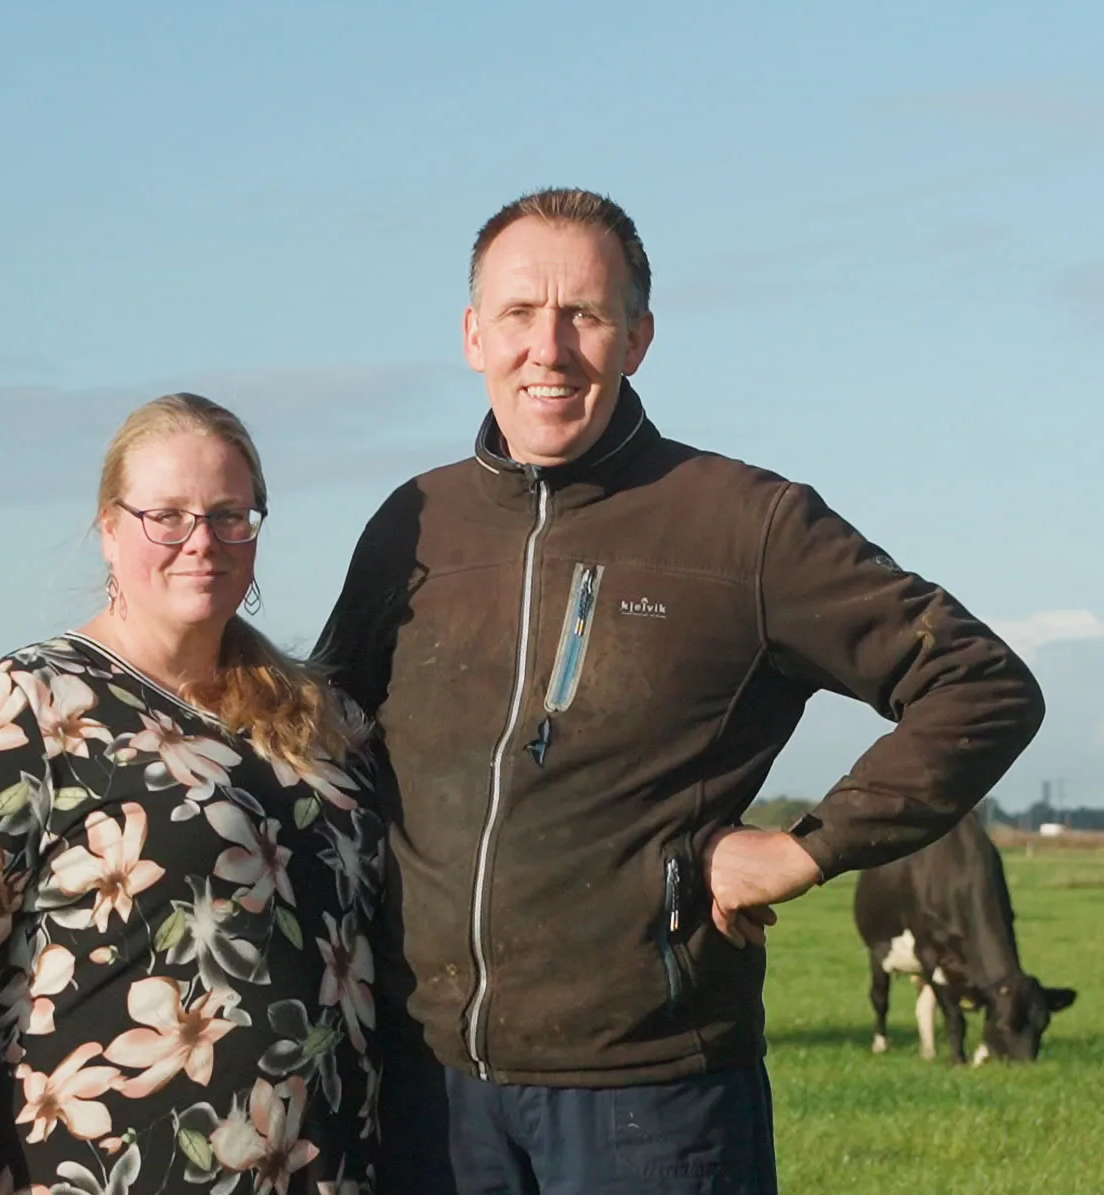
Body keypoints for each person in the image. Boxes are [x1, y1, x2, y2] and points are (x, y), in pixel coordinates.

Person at [315, 189, 1046, 1194]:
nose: (551, 348)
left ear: (639, 338)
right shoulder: (415, 521)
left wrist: (806, 847)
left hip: (649, 1096)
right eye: (521, 314)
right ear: (473, 334)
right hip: (427, 1091)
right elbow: (324, 738)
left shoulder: (743, 526)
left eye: (587, 315)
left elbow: (979, 683)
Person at [0, 394, 383, 1195]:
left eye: (230, 515)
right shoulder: (24, 706)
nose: (202, 542)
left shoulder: (322, 718)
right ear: (110, 529)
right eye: (168, 516)